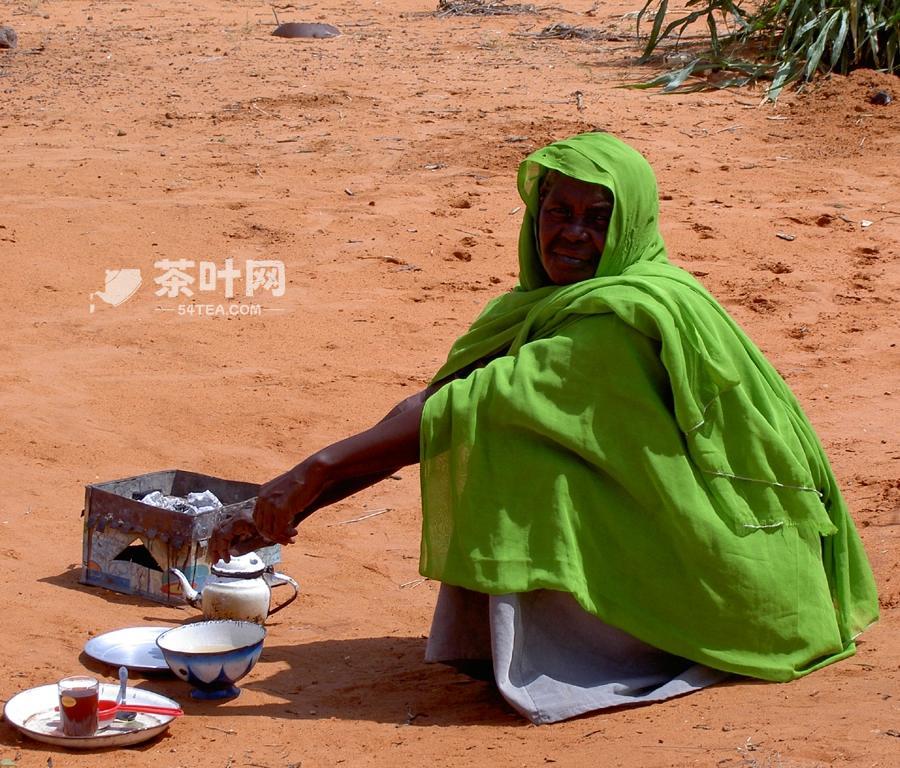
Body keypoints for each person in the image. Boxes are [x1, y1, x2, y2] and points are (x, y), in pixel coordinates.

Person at [209, 132, 878, 724]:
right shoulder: (551, 307)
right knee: (499, 418)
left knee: (511, 438)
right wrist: (287, 505)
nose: (573, 235)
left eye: (597, 217)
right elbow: (434, 409)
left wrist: (311, 473)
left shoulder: (616, 322)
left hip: (730, 587)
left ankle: (589, 654)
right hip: (681, 535)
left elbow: (460, 414)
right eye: (557, 213)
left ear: (631, 224)